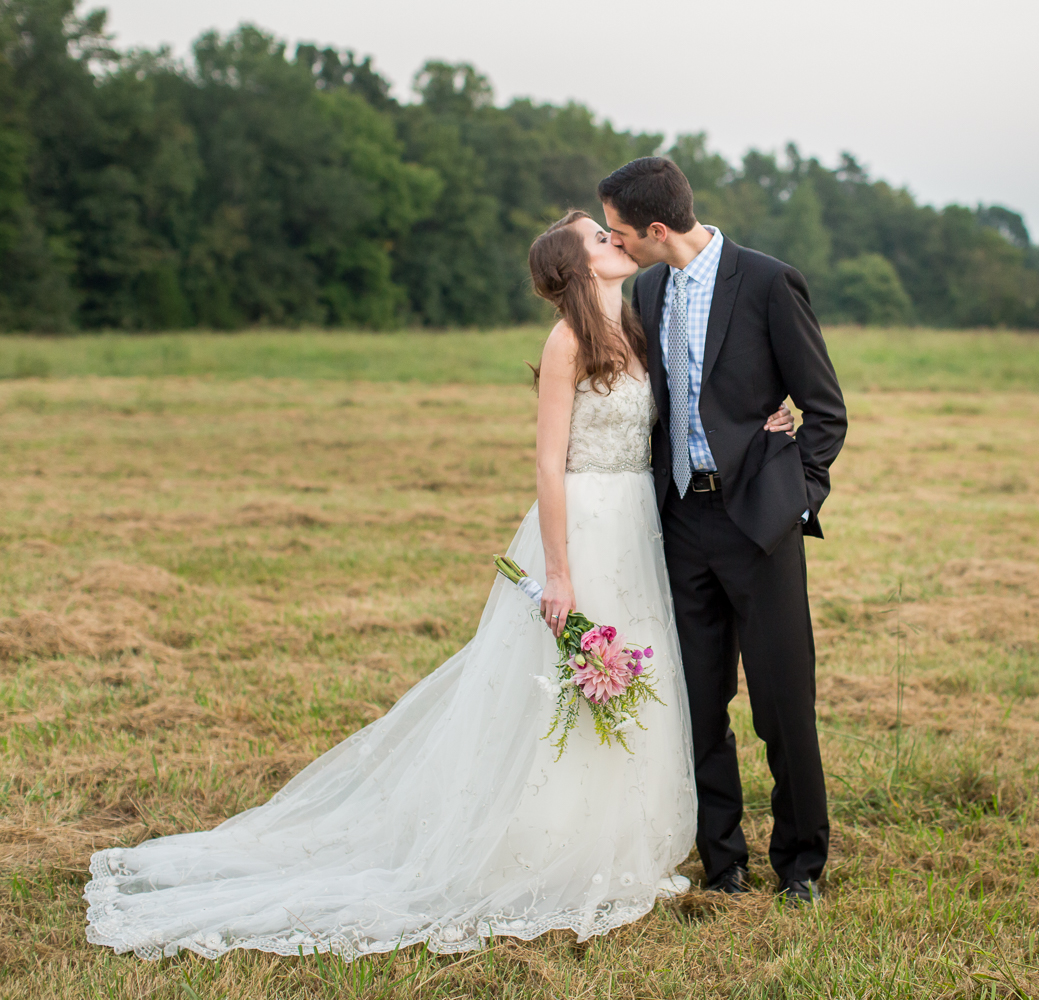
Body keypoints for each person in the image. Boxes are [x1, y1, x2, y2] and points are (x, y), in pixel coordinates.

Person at [83, 210, 796, 961]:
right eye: (598, 237)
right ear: (576, 267)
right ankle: (548, 839)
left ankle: (628, 836)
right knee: (563, 688)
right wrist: (557, 572)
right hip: (583, 528)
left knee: (634, 677)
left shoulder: (639, 324)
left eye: (612, 233)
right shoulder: (568, 342)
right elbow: (549, 464)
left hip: (639, 531)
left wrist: (764, 422)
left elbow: (690, 404)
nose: (615, 241)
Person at [598, 158, 847, 905]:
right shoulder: (646, 288)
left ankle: (801, 865)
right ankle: (723, 861)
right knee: (698, 703)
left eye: (618, 233)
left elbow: (825, 409)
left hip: (758, 526)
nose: (616, 246)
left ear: (657, 229)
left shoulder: (769, 282)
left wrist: (793, 496)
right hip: (680, 523)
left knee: (781, 703)